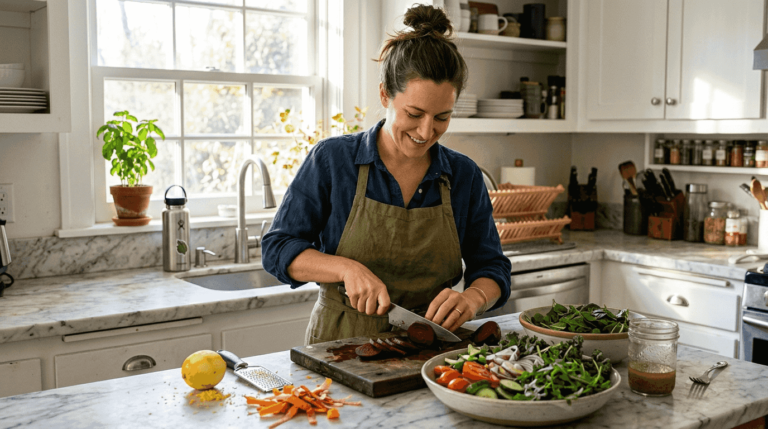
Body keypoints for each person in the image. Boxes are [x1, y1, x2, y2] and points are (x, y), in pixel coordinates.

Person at [262, 4, 512, 345]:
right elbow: (278, 248)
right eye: (414, 113)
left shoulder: (463, 175)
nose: (426, 131)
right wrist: (346, 269)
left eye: (442, 117)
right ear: (385, 94)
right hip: (340, 345)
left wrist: (473, 298)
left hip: (432, 350)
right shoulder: (333, 160)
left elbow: (493, 269)